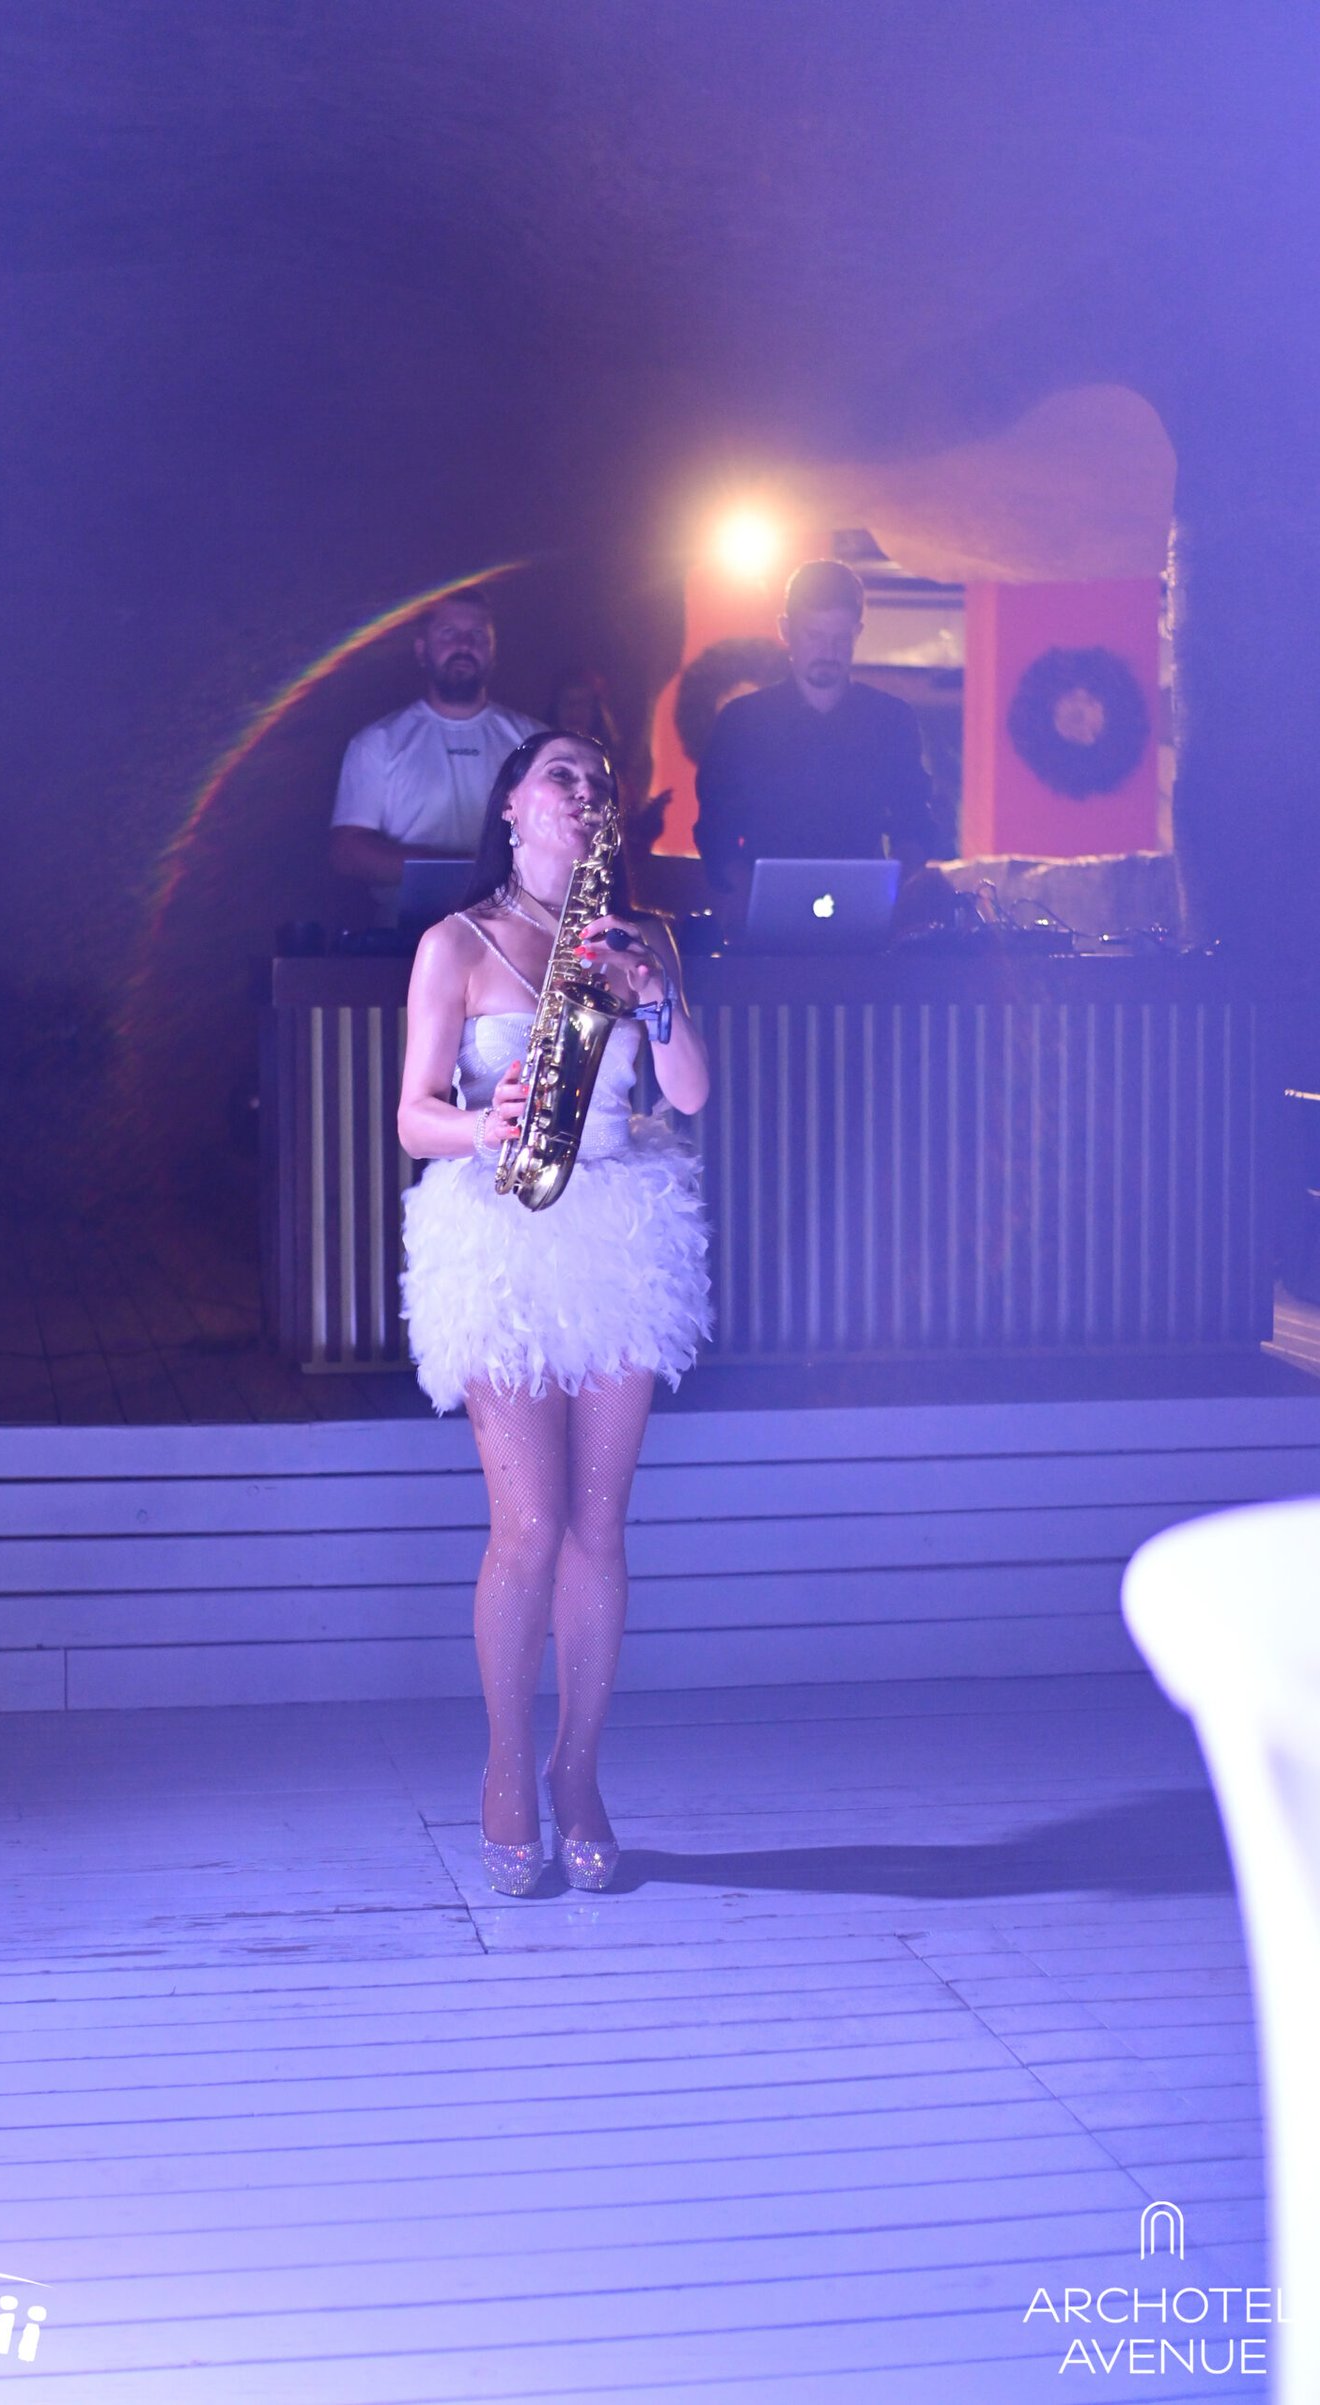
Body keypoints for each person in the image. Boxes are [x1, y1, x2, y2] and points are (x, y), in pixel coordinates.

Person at [397, 730, 711, 1898]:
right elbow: (412, 1114)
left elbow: (691, 1093)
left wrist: (657, 996)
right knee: (527, 1526)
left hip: (620, 1234)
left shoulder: (641, 937)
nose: (584, 792)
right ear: (512, 806)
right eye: (560, 777)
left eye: (597, 782)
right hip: (502, 1232)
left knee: (597, 1527)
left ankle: (577, 1770)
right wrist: (482, 1121)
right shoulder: (454, 943)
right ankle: (505, 1765)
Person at [693, 558, 939, 908]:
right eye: (815, 636)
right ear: (785, 630)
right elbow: (716, 832)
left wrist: (887, 890)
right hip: (768, 914)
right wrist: (751, 896)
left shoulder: (891, 720)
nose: (828, 652)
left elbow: (914, 821)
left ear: (857, 633)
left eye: (840, 638)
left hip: (860, 912)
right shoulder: (742, 722)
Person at [329, 587, 542, 920]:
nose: (464, 645)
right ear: (421, 649)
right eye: (448, 633)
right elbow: (347, 852)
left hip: (512, 929)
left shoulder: (535, 742)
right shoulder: (377, 742)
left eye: (477, 635)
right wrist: (454, 871)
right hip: (406, 936)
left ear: (492, 650)